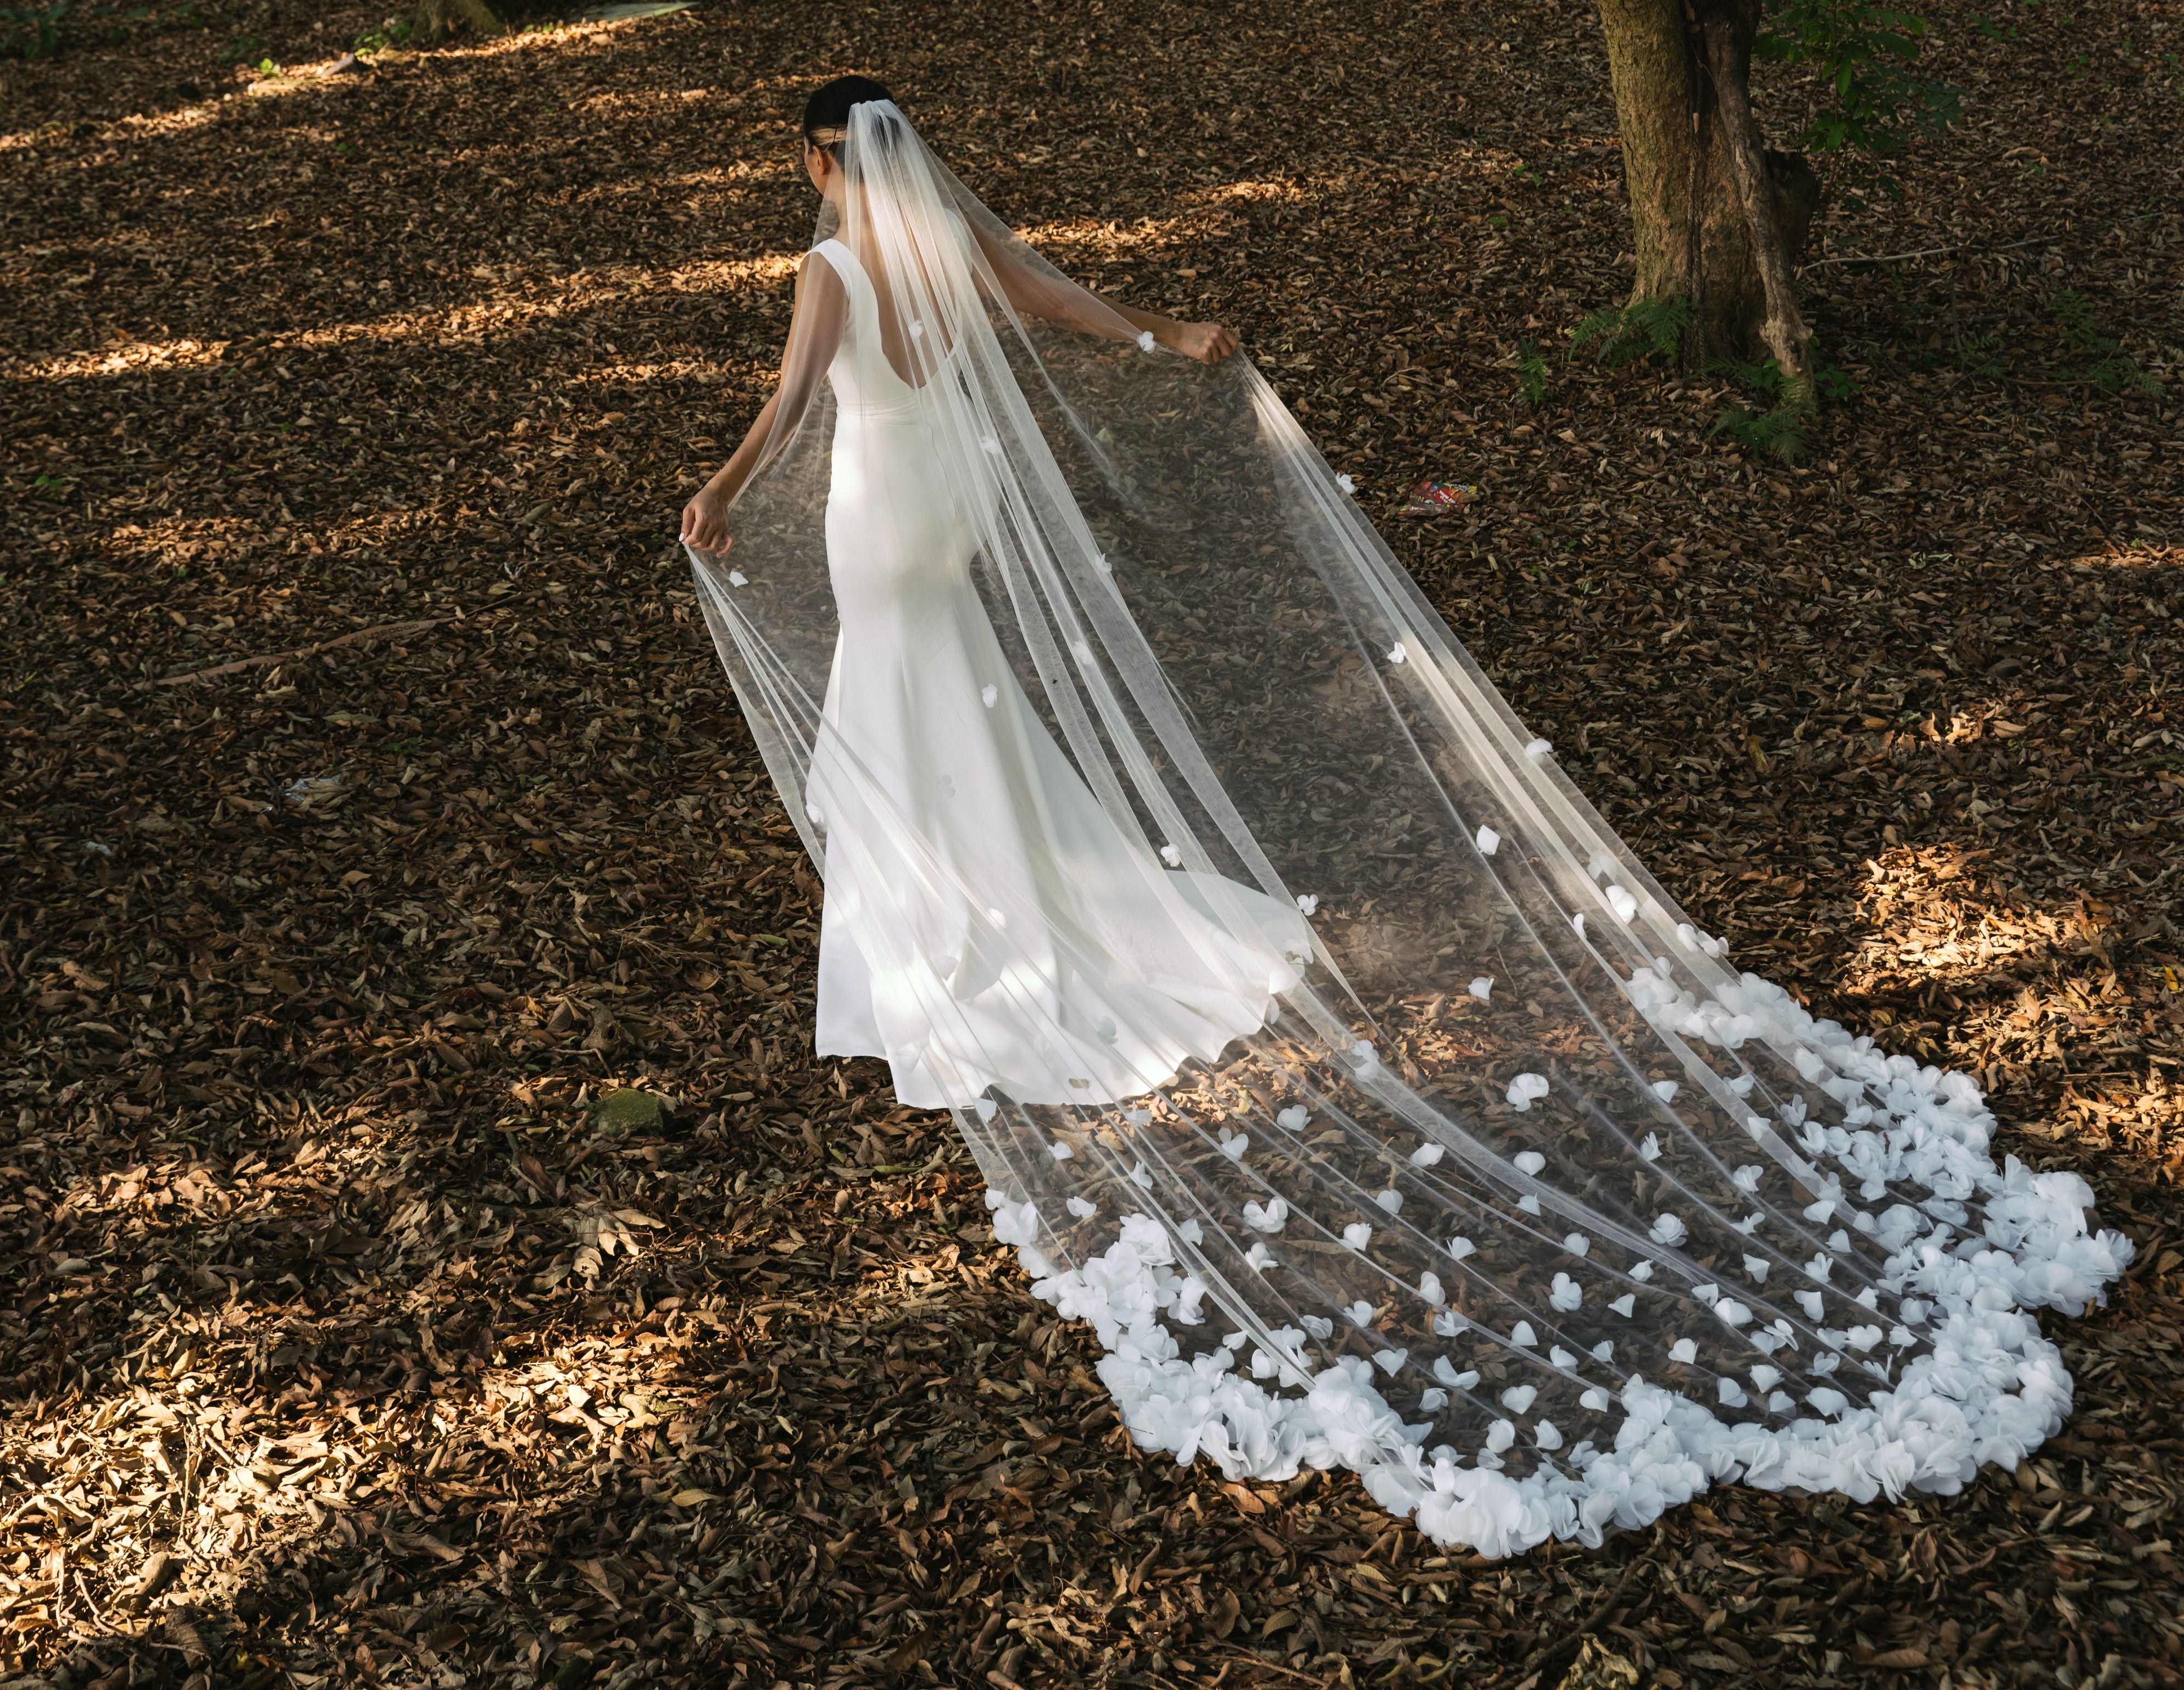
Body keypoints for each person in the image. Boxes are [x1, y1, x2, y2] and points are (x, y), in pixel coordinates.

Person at [681, 78, 2126, 1558]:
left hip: (880, 511)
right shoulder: (949, 246)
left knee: (895, 696)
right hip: (948, 503)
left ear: (817, 162)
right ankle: (995, 876)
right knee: (948, 692)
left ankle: (941, 911)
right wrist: (1167, 335)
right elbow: (1056, 300)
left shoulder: (834, 264)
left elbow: (794, 405)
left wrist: (722, 487)